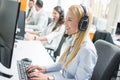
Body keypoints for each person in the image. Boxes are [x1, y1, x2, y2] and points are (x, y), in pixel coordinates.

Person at [26, 5, 98, 80]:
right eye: (66, 19)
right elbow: (62, 64)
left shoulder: (87, 50)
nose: (65, 23)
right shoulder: (74, 40)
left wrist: (49, 78)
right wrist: (44, 68)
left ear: (82, 24)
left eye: (69, 20)